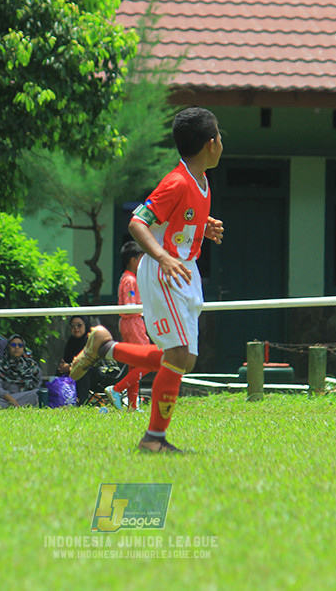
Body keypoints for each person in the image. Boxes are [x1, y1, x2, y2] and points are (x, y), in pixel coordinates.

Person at [70, 107, 225, 453]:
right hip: (164, 271)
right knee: (178, 354)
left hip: (184, 271)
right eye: (219, 137)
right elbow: (138, 222)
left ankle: (105, 347)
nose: (221, 143)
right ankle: (153, 438)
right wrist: (163, 257)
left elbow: (178, 219)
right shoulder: (176, 181)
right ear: (211, 144)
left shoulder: (200, 181)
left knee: (183, 360)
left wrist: (202, 226)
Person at [106, 240, 153, 411]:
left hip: (129, 322)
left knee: (134, 364)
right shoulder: (130, 280)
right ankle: (117, 389)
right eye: (141, 258)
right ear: (133, 260)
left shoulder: (128, 278)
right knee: (149, 361)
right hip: (133, 322)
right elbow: (130, 305)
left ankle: (133, 405)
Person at [61, 315, 124, 406]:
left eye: (79, 325)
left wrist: (70, 366)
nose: (76, 328)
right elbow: (67, 360)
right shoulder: (71, 342)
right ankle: (58, 401)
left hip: (107, 374)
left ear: (86, 325)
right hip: (86, 373)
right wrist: (64, 367)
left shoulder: (93, 339)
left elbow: (93, 361)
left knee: (84, 369)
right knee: (61, 371)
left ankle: (81, 403)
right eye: (73, 326)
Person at [0, 334, 43, 408]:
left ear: (23, 348)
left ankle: (13, 407)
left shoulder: (31, 365)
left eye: (20, 345)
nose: (17, 348)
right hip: (5, 398)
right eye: (13, 345)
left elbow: (38, 383)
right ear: (8, 347)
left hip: (24, 396)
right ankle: (17, 406)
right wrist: (11, 400)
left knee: (38, 393)